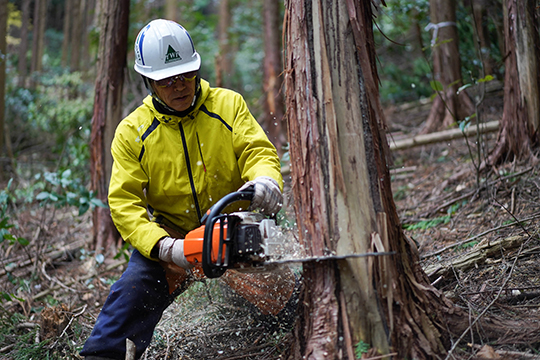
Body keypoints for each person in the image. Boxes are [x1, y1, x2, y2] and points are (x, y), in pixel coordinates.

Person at [80, 19, 297, 360]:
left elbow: (257, 151)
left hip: (230, 226)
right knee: (134, 289)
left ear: (196, 68)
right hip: (173, 234)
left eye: (185, 75)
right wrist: (165, 248)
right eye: (167, 80)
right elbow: (124, 203)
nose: (178, 86)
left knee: (289, 302)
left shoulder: (227, 105)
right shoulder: (132, 132)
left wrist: (265, 180)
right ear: (149, 81)